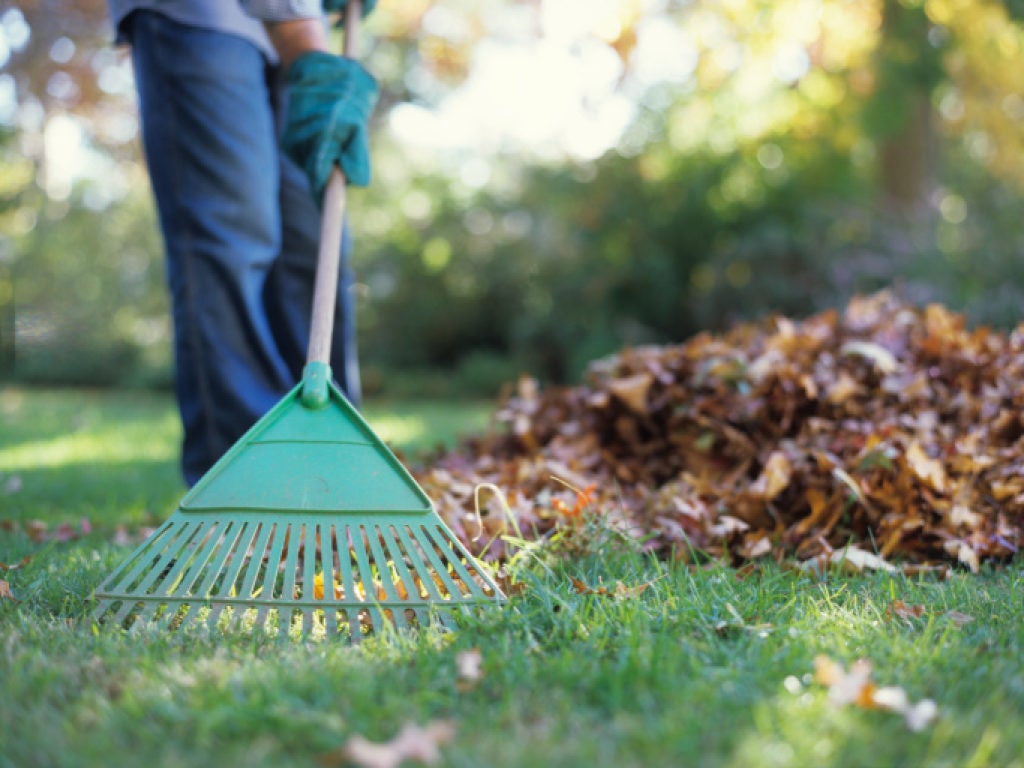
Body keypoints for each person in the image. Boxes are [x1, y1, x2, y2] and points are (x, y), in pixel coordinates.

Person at [104, 0, 378, 485]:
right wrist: (300, 32)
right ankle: (246, 480)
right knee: (233, 235)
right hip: (200, 16)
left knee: (313, 243)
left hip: (294, 27)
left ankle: (331, 473)